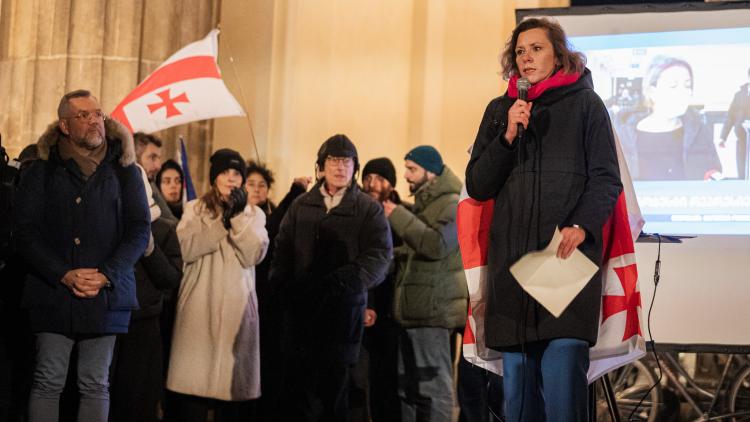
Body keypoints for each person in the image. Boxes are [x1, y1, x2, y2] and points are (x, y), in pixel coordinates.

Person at [465, 17, 622, 421]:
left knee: (562, 391)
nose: (527, 57)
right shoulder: (502, 110)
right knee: (518, 401)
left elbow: (606, 178)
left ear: (558, 53)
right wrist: (507, 138)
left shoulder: (586, 105)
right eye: (520, 51)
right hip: (512, 272)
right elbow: (478, 185)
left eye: (536, 48)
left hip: (564, 264)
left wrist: (581, 224)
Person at [14, 89, 150, 422]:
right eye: (83, 115)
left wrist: (106, 274)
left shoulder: (125, 171)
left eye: (98, 114)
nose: (94, 121)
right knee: (48, 380)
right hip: (53, 291)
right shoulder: (40, 171)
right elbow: (24, 232)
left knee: (95, 383)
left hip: (106, 295)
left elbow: (139, 230)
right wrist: (63, 273)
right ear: (64, 125)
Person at [270, 134, 392, 422]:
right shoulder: (301, 206)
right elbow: (282, 250)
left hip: (343, 316)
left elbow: (380, 256)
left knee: (335, 399)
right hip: (300, 317)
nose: (340, 167)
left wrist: (345, 281)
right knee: (299, 399)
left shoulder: (367, 209)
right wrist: (283, 286)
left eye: (347, 162)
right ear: (321, 167)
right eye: (334, 161)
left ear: (355, 167)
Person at [166, 149, 269, 422]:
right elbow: (186, 248)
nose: (230, 178)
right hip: (199, 308)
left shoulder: (254, 214)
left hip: (236, 311)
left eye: (236, 173)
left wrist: (236, 218)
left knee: (231, 397)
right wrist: (220, 222)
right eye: (224, 172)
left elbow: (254, 254)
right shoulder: (194, 209)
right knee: (193, 395)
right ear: (214, 178)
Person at [381, 145, 468, 422]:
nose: (406, 175)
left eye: (412, 169)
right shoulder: (427, 202)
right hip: (415, 310)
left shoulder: (453, 201)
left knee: (434, 389)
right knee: (410, 388)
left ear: (431, 171)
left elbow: (437, 244)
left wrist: (396, 214)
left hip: (432, 310)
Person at [109, 165, 183, 422]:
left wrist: (150, 249)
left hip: (144, 322)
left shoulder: (163, 228)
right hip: (108, 320)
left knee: (138, 399)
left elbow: (171, 278)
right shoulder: (109, 225)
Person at [244, 161, 311, 420]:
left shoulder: (276, 212)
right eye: (252, 184)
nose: (258, 189)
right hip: (250, 295)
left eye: (262, 185)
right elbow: (269, 231)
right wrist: (294, 192)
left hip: (273, 298)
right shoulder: (242, 215)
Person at [350, 157, 403, 422]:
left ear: (391, 185)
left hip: (391, 307)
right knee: (359, 375)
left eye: (379, 179)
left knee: (386, 377)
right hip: (364, 301)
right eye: (368, 177)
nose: (372, 184)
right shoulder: (356, 210)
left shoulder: (401, 213)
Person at [615, 56, 722, 180]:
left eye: (687, 85)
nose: (684, 92)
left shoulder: (698, 130)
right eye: (673, 86)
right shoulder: (625, 134)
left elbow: (713, 169)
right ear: (652, 91)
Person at [134, 132, 178, 225]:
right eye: (152, 157)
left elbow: (171, 222)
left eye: (159, 158)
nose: (158, 166)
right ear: (135, 157)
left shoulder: (150, 185)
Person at [719, 67, 750, 179]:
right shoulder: (739, 95)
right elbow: (730, 117)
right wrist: (723, 137)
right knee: (742, 170)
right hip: (742, 139)